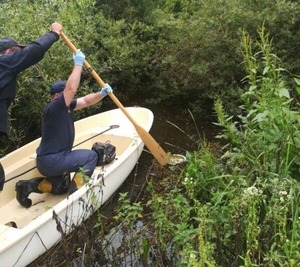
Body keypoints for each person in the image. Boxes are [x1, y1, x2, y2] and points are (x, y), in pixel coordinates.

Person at [15, 50, 113, 208]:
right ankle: (76, 195)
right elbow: (71, 90)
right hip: (53, 159)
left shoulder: (66, 106)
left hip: (51, 161)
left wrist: (101, 94)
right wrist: (78, 64)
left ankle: (28, 187)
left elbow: (86, 101)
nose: (69, 97)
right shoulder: (54, 107)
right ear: (55, 96)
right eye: (63, 94)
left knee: (61, 186)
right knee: (90, 157)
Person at [0, 22, 63, 191]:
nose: (18, 55)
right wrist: (54, 34)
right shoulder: (3, 63)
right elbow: (32, 52)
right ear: (6, 53)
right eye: (16, 52)